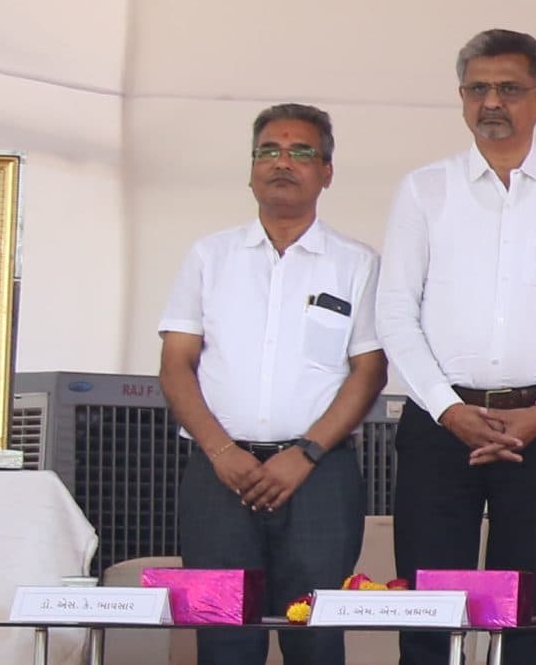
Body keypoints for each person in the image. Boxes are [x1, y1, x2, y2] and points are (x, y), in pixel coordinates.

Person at [374, 29, 536, 665]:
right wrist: (448, 409)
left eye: (509, 89)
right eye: (477, 89)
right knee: (428, 617)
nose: (492, 102)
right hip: (440, 427)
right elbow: (395, 312)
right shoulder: (424, 189)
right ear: (461, 97)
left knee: (527, 618)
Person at [156, 104, 391, 665]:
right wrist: (221, 451)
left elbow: (370, 370)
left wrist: (305, 454)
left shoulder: (357, 263)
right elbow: (175, 365)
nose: (282, 163)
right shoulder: (209, 256)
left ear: (327, 172)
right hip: (219, 475)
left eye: (300, 152)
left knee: (314, 637)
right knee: (223, 639)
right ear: (251, 170)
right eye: (269, 151)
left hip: (318, 476)